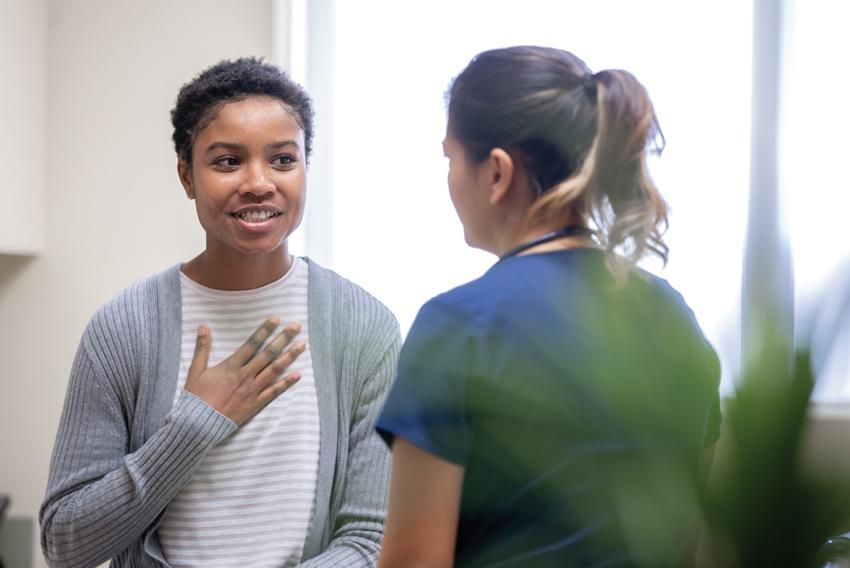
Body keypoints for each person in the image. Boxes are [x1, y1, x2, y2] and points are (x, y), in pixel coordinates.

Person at [40, 58, 400, 568]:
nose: (258, 182)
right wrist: (192, 426)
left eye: (282, 160)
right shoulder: (124, 329)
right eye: (228, 161)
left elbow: (371, 542)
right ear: (187, 176)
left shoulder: (364, 328)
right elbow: (65, 544)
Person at [374, 46, 722, 568]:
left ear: (496, 172)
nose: (448, 179)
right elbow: (684, 541)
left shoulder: (459, 326)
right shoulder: (675, 318)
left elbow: (413, 562)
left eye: (450, 159)